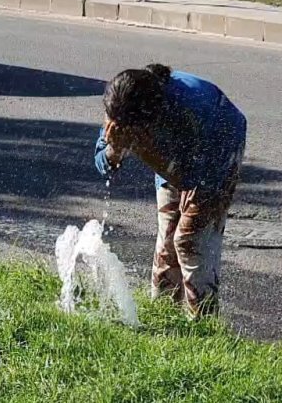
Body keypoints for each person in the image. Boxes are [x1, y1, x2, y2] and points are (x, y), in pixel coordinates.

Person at [93, 64, 247, 318]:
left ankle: (203, 320)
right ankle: (163, 314)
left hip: (219, 140)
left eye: (133, 132)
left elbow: (189, 179)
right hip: (172, 145)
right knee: (167, 239)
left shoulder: (186, 110)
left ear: (149, 122)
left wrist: (146, 151)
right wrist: (113, 149)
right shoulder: (122, 110)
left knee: (189, 240)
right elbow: (103, 166)